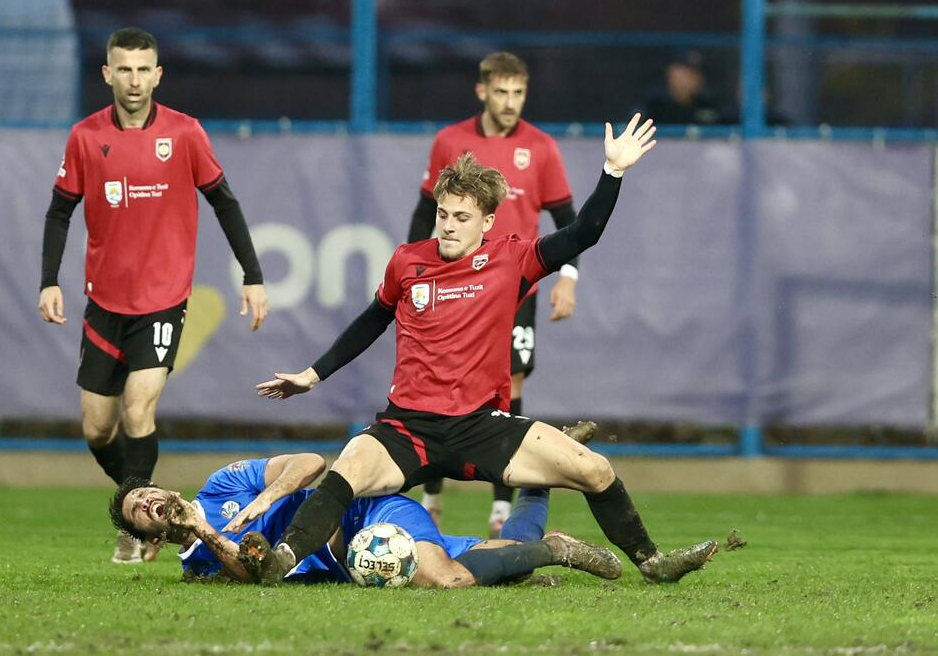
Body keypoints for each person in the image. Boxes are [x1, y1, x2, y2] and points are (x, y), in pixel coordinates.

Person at [253, 114, 718, 585]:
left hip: (479, 427)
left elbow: (583, 234)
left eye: (461, 217)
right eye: (442, 215)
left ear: (487, 221)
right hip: (407, 428)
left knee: (595, 470)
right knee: (348, 465)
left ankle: (653, 563)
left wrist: (612, 172)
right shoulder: (407, 262)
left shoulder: (511, 259)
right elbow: (374, 318)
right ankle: (278, 562)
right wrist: (313, 375)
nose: (448, 227)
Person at [38, 27, 270, 564]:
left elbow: (225, 204)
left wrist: (252, 274)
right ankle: (156, 508)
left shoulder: (185, 134)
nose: (135, 79)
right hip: (104, 304)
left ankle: (138, 528)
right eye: (125, 69)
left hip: (163, 301)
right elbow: (59, 211)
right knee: (98, 428)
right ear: (107, 74)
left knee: (138, 409)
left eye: (144, 69)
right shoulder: (84, 137)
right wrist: (49, 279)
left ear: (158, 74)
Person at [406, 52, 581, 535]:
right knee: (438, 382)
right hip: (451, 291)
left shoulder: (541, 148)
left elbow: (570, 225)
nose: (510, 102)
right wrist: (415, 269)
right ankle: (433, 489)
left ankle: (501, 510)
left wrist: (568, 276)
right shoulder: (451, 140)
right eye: (501, 92)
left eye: (518, 92)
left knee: (511, 387)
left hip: (512, 294)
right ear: (482, 91)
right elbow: (426, 214)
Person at [110, 452, 623, 587]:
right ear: (149, 540)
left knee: (441, 579)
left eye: (148, 494)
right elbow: (254, 573)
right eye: (142, 513)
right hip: (351, 560)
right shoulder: (198, 565)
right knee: (509, 570)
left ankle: (559, 548)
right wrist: (203, 531)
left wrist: (267, 497)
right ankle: (537, 487)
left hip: (363, 513)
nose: (151, 503)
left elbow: (310, 463)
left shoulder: (223, 485)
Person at [641, 50, 723, 126]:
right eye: (688, 73)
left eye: (697, 73)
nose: (693, 79)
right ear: (671, 73)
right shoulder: (654, 105)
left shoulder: (708, 104)